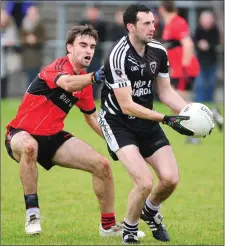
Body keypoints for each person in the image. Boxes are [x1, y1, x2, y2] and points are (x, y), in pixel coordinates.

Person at [97, 4, 208, 244]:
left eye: (153, 22)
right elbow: (126, 105)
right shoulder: (117, 56)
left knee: (170, 179)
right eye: (146, 23)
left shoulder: (158, 51)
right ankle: (129, 229)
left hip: (146, 121)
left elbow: (166, 93)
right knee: (144, 181)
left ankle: (150, 211)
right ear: (131, 27)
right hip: (118, 123)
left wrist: (190, 114)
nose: (152, 27)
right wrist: (167, 119)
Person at [4, 25, 123, 237]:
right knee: (30, 147)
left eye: (92, 47)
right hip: (20, 132)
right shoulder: (58, 66)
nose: (88, 51)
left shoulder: (85, 81)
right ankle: (32, 214)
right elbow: (67, 83)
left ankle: (108, 227)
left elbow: (92, 117)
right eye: (83, 45)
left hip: (53, 137)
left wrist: (117, 143)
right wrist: (96, 77)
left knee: (102, 165)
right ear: (69, 48)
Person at [159, 1, 223, 136]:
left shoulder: (178, 22)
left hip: (184, 70)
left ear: (161, 9)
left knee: (179, 104)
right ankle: (210, 114)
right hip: (177, 69)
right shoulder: (169, 24)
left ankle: (195, 131)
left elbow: (188, 45)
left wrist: (184, 67)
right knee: (175, 105)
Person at [193, 11, 223, 131]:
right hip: (200, 62)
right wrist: (199, 44)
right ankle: (201, 108)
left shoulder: (215, 30)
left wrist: (208, 45)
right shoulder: (198, 30)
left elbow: (217, 44)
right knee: (200, 85)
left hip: (212, 63)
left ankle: (209, 108)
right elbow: (194, 41)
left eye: (208, 20)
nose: (206, 22)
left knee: (210, 85)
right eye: (204, 20)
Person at [79, 5, 107, 99]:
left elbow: (103, 38)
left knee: (95, 74)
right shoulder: (82, 23)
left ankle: (93, 96)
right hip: (82, 55)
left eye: (94, 12)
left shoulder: (102, 25)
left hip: (96, 55)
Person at [20, 5, 46, 87]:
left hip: (37, 57)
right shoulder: (23, 26)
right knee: (29, 80)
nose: (32, 16)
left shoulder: (41, 26)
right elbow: (19, 39)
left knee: (36, 79)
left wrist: (36, 40)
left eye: (34, 14)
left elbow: (44, 39)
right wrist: (27, 40)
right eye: (30, 14)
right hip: (27, 58)